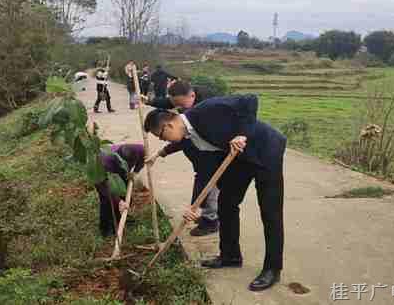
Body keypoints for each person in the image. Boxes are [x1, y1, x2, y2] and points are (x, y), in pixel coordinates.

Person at [143, 95, 286, 292]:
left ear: (169, 125)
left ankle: (272, 268)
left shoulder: (206, 110)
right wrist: (194, 206)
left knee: (270, 212)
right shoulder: (187, 139)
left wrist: (242, 134)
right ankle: (230, 256)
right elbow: (202, 173)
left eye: (160, 135)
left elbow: (249, 100)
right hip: (239, 160)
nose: (162, 139)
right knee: (226, 204)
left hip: (266, 151)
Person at [145, 80, 220, 236]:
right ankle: (208, 216)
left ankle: (211, 221)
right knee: (205, 188)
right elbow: (178, 142)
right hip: (203, 164)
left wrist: (192, 207)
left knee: (210, 189)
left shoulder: (200, 118)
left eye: (160, 135)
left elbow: (181, 142)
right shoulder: (184, 125)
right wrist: (159, 154)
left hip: (212, 161)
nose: (161, 139)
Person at [96, 143, 145, 237]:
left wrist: (135, 171)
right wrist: (118, 201)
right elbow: (103, 187)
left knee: (125, 198)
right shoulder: (105, 161)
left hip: (121, 172)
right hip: (103, 175)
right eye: (126, 164)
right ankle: (105, 229)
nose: (129, 165)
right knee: (107, 201)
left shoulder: (139, 149)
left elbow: (143, 157)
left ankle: (120, 221)